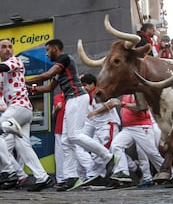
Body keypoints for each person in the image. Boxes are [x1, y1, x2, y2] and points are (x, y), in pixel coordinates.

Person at [25, 39, 117, 191]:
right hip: (71, 100)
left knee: (74, 135)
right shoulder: (59, 68)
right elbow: (49, 87)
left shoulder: (65, 59)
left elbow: (47, 75)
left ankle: (107, 157)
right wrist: (32, 90)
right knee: (67, 141)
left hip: (77, 98)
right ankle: (71, 177)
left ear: (55, 48)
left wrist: (22, 80)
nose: (47, 54)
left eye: (48, 50)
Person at [90, 94, 173, 188]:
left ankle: (172, 174)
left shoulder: (138, 92)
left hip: (141, 127)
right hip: (128, 128)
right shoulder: (126, 93)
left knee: (152, 153)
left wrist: (121, 103)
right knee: (116, 145)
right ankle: (123, 173)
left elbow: (142, 107)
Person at [0, 39, 52, 192]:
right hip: (21, 111)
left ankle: (9, 172)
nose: (8, 49)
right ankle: (43, 177)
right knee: (23, 147)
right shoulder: (2, 75)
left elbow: (3, 66)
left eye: (10, 47)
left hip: (19, 107)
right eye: (4, 47)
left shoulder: (14, 61)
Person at [52, 91, 66, 188]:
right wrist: (56, 109)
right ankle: (60, 179)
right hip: (59, 129)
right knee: (60, 155)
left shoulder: (76, 96)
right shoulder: (57, 97)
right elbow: (53, 114)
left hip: (72, 130)